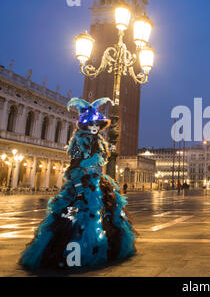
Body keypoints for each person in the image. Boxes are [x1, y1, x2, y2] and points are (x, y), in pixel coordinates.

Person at [19, 98, 137, 270]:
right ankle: (75, 249)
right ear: (85, 126)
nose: (95, 127)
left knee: (105, 214)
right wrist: (79, 187)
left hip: (97, 182)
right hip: (82, 183)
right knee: (74, 214)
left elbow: (100, 161)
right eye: (91, 125)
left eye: (97, 124)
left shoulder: (99, 141)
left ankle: (99, 245)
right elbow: (74, 163)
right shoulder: (78, 141)